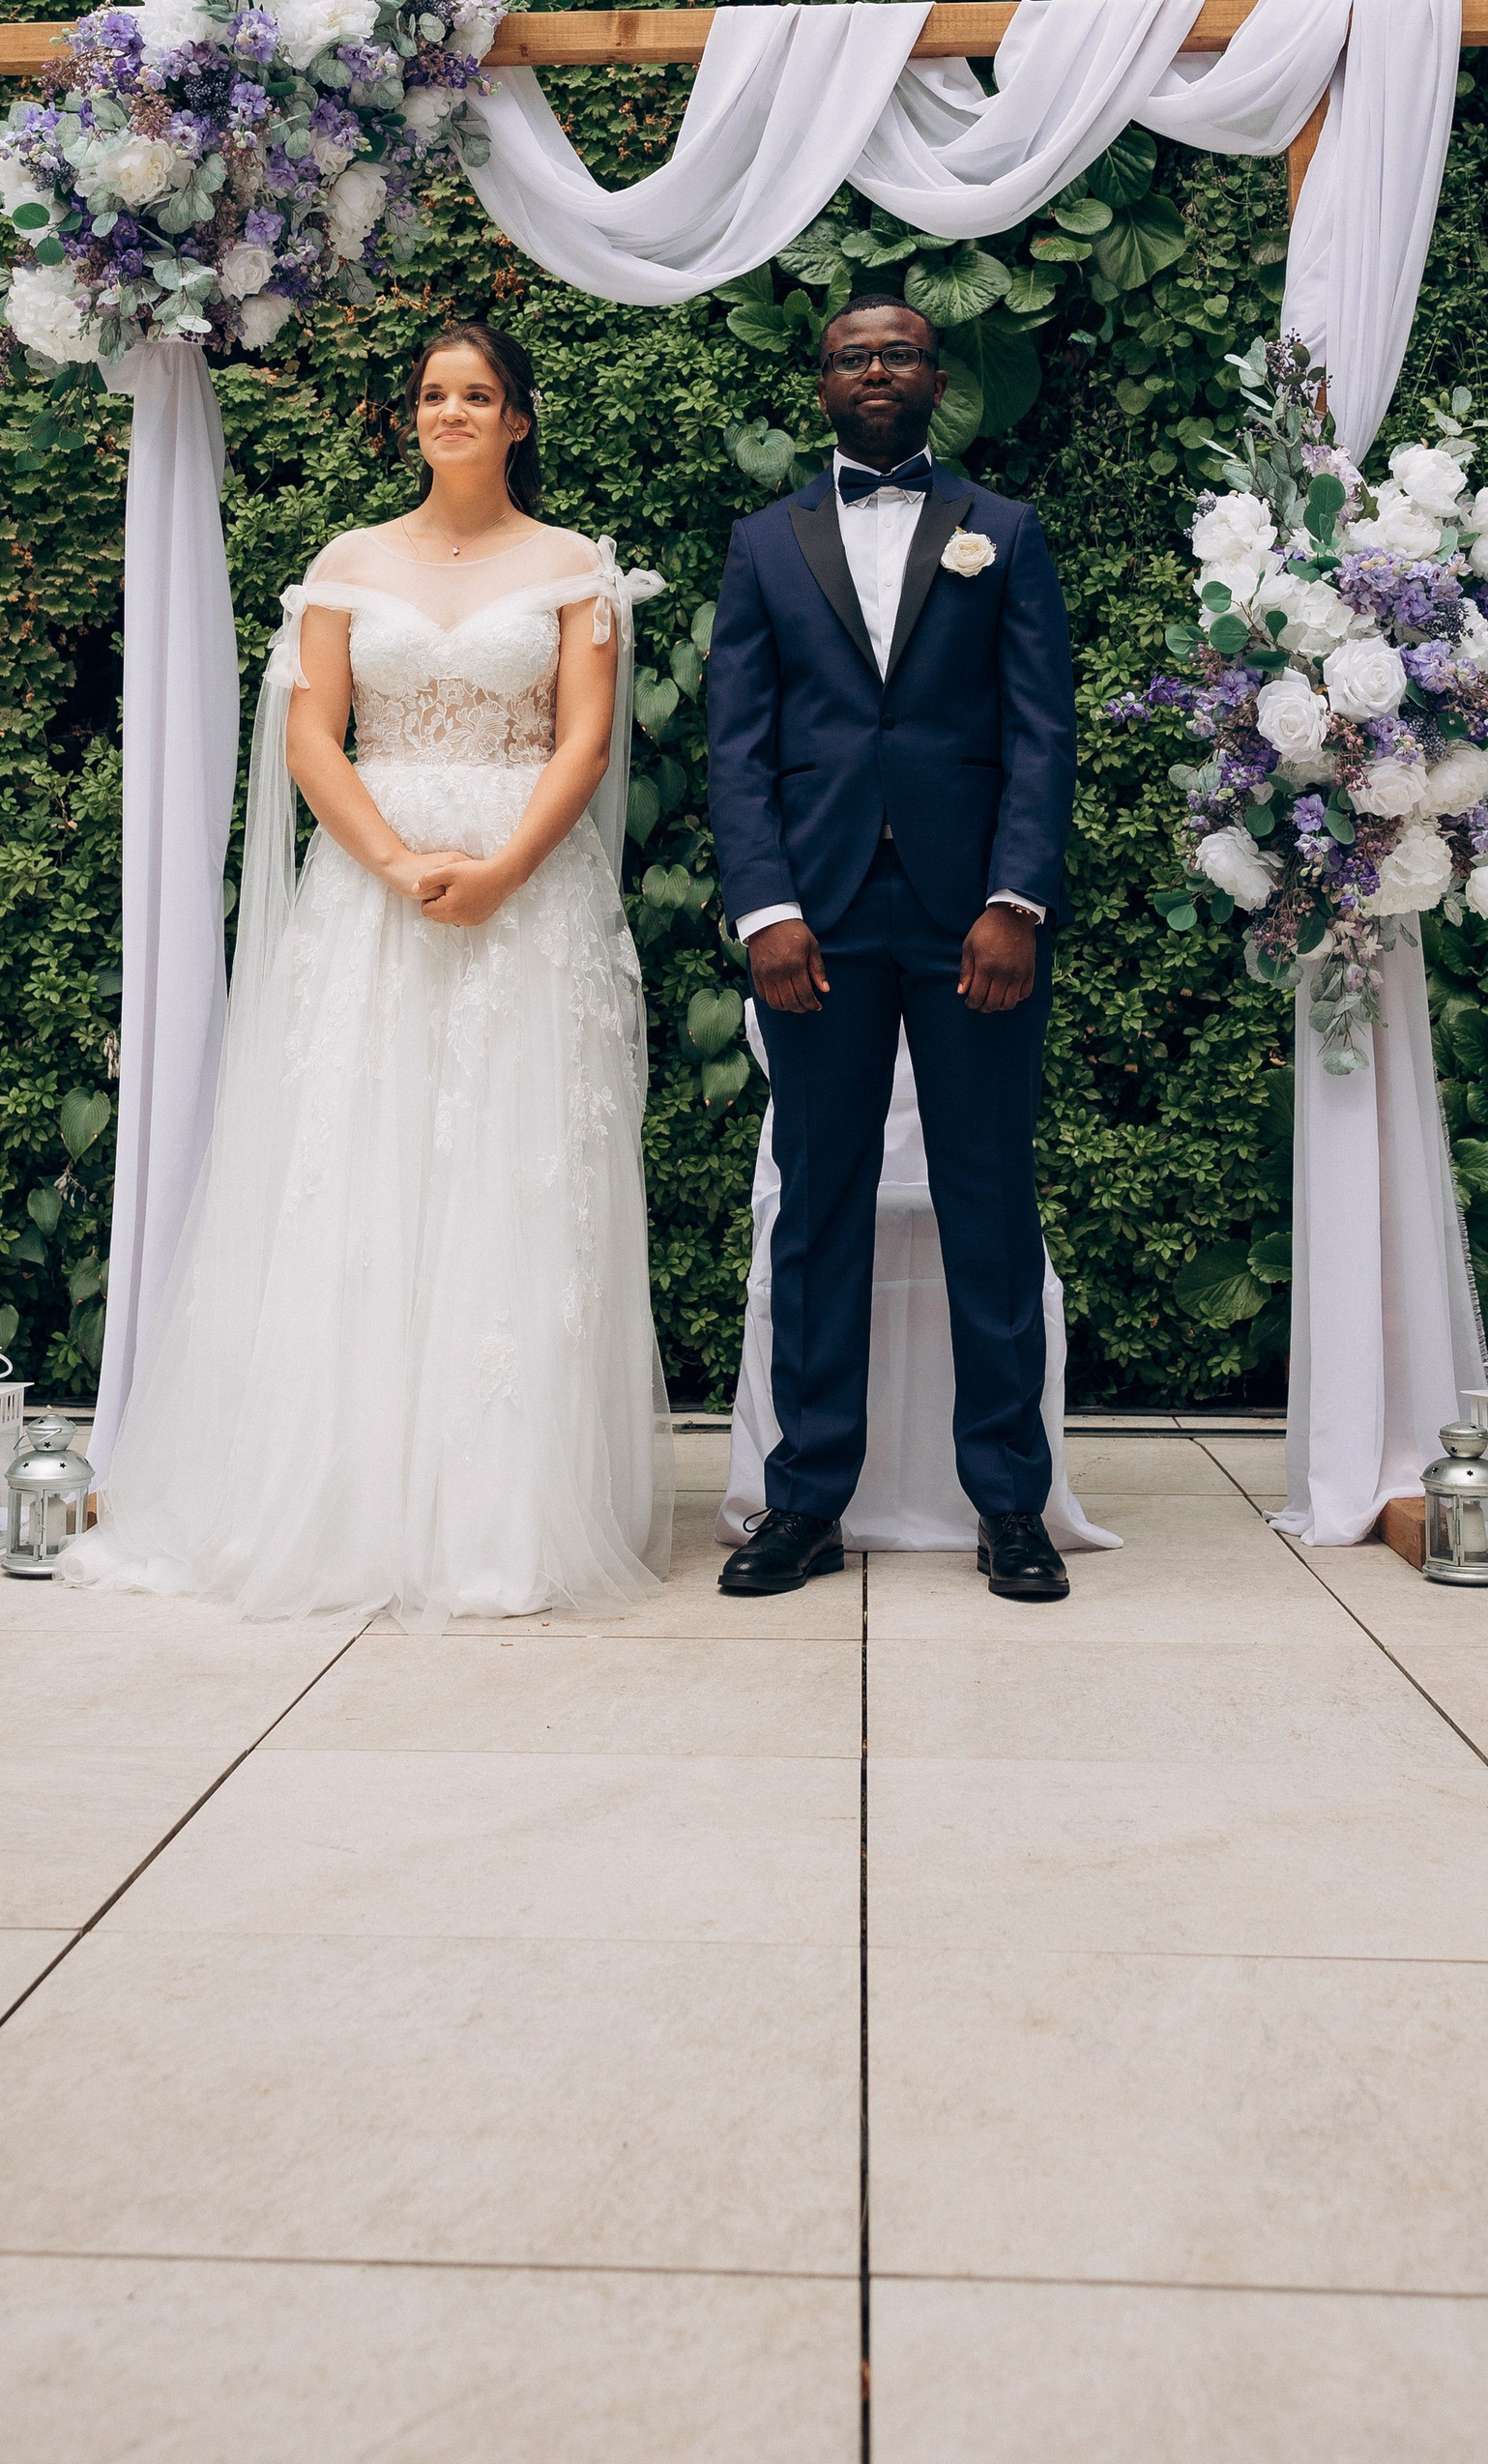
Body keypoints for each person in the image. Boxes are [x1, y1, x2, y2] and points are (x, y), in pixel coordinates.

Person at [63, 322, 672, 1626]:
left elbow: (582, 741)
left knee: (511, 1184)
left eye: (479, 395)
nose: (451, 412)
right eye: (433, 395)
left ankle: (497, 1521)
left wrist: (503, 868)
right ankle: (340, 1504)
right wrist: (396, 862)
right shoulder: (348, 562)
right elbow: (310, 735)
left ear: (520, 420)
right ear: (415, 417)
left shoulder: (572, 568)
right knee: (362, 1176)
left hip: (528, 904)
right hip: (372, 904)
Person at [703, 301, 1078, 1601]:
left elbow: (1041, 733)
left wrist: (1015, 902)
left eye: (901, 353)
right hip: (815, 922)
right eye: (854, 355)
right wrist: (765, 913)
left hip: (974, 921)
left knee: (987, 1208)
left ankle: (1011, 1508)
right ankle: (804, 1504)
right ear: (823, 384)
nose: (878, 371)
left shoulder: (1006, 534)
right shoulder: (763, 546)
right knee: (816, 1218)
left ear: (935, 378)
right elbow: (738, 745)